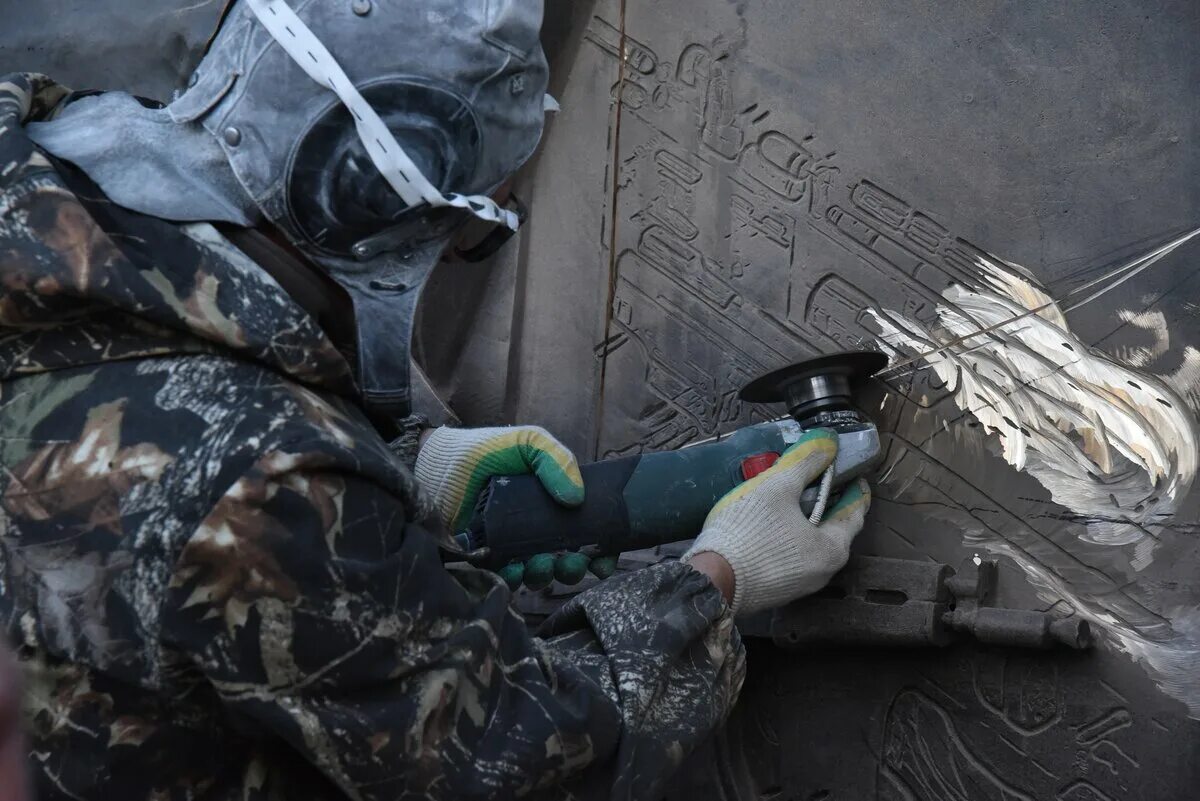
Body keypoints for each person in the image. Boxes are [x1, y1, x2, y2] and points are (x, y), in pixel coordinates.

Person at [0, 1, 871, 799]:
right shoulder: (266, 490)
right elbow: (523, 761)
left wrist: (398, 467)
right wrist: (719, 580)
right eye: (476, 231)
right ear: (362, 198)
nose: (461, 251)